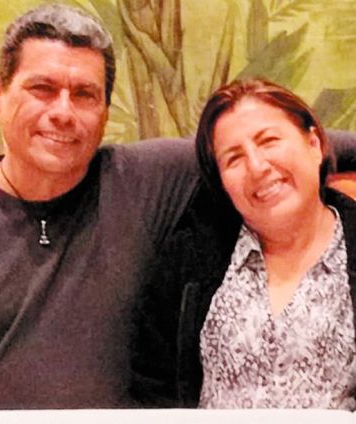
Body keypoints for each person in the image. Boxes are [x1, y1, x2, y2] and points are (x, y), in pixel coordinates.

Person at [0, 5, 356, 424]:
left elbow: (274, 147)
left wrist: (313, 151)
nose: (62, 112)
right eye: (42, 89)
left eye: (84, 95)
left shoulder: (146, 179)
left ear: (103, 112)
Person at [131, 78, 356, 409]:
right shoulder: (189, 258)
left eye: (269, 141)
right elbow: (152, 385)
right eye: (233, 158)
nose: (257, 167)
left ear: (314, 144)